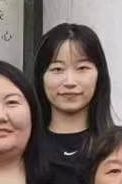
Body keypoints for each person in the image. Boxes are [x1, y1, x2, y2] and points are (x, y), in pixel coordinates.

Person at [35, 23, 114, 169]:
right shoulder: (24, 149)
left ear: (99, 75)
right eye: (57, 69)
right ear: (40, 77)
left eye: (82, 68)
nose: (70, 82)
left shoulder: (117, 148)